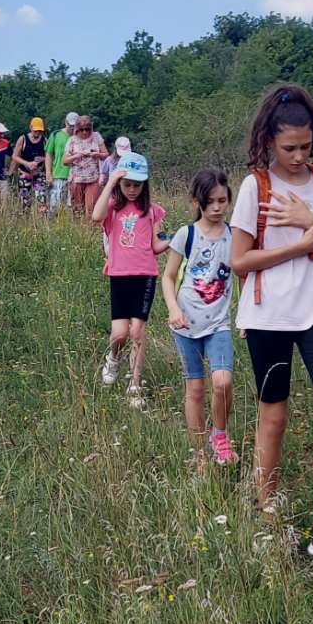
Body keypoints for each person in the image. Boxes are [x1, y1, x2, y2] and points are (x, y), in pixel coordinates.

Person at [229, 83, 313, 571]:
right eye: (290, 148)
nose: (300, 156)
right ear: (268, 142)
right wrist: (302, 244)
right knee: (274, 418)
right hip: (269, 316)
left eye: (306, 146)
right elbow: (240, 261)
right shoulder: (255, 187)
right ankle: (265, 514)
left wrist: (310, 219)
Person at [161, 169, 238, 468]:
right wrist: (173, 309)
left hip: (219, 323)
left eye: (222, 200)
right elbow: (168, 277)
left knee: (222, 382)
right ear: (197, 201)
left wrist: (246, 317)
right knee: (194, 388)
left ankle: (219, 436)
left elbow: (244, 274)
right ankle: (199, 453)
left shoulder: (234, 236)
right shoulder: (186, 234)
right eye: (211, 201)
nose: (217, 207)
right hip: (186, 323)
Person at [92, 152, 168, 409]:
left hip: (145, 276)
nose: (133, 190)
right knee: (119, 334)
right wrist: (111, 182)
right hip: (119, 275)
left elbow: (156, 245)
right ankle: (113, 359)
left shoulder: (152, 211)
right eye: (128, 184)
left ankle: (135, 385)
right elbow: (96, 216)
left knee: (137, 331)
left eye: (137, 185)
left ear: (145, 184)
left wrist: (176, 239)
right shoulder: (113, 208)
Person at [63, 115, 107, 222]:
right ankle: (79, 229)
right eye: (82, 129)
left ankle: (90, 228)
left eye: (87, 129)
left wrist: (97, 154)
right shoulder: (72, 140)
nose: (84, 132)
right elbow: (65, 161)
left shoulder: (96, 137)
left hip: (93, 178)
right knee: (77, 209)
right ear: (77, 129)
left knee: (91, 208)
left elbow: (106, 155)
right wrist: (76, 156)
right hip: (77, 179)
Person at [12, 117, 50, 215]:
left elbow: (49, 157)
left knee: (41, 198)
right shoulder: (23, 139)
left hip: (39, 174)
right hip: (24, 174)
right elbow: (15, 156)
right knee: (25, 200)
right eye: (35, 130)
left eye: (39, 131)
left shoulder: (45, 140)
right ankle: (26, 218)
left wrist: (42, 159)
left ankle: (42, 219)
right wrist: (27, 163)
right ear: (31, 128)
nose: (37, 133)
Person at [46, 112, 77, 216]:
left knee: (72, 207)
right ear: (66, 122)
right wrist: (48, 173)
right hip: (58, 174)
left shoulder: (81, 136)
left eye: (74, 126)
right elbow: (49, 154)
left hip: (75, 176)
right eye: (70, 125)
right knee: (54, 206)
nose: (72, 128)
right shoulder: (56, 134)